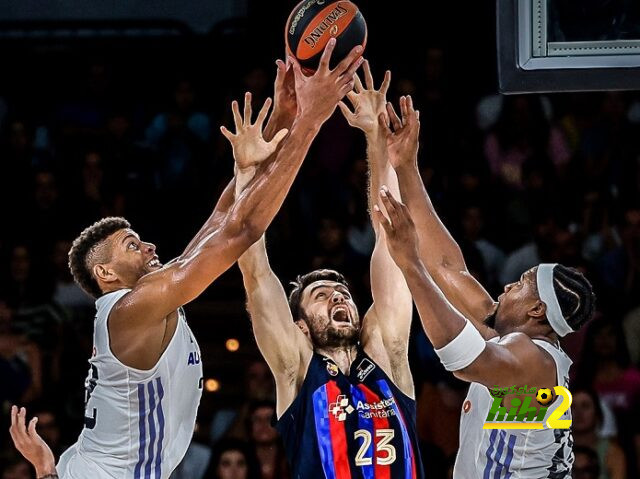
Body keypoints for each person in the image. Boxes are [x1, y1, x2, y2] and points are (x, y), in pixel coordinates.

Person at [8, 41, 363, 479]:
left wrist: (282, 118)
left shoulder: (143, 303)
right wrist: (312, 120)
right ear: (105, 273)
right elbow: (240, 230)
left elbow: (219, 220)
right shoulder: (130, 310)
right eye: (132, 246)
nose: (150, 248)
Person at [374, 95, 595, 478]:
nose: (509, 284)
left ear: (537, 310)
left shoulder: (536, 360)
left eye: (523, 284)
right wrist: (406, 166)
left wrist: (409, 264)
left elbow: (465, 361)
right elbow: (447, 266)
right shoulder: (508, 335)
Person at [236, 61, 424, 478]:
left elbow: (389, 234)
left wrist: (376, 135)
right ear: (300, 326)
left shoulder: (385, 350)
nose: (338, 296)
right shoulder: (297, 368)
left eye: (340, 293)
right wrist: (247, 172)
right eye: (320, 297)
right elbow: (254, 269)